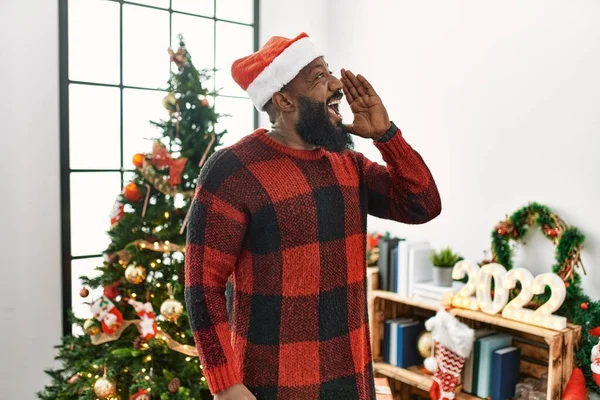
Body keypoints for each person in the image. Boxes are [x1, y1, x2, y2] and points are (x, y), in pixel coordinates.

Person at [185, 32, 441, 400]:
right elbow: (202, 286)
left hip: (352, 382)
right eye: (319, 77)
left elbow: (423, 204)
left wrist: (387, 136)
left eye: (329, 72)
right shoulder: (232, 171)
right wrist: (225, 384)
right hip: (270, 385)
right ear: (284, 99)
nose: (337, 84)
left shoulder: (347, 163)